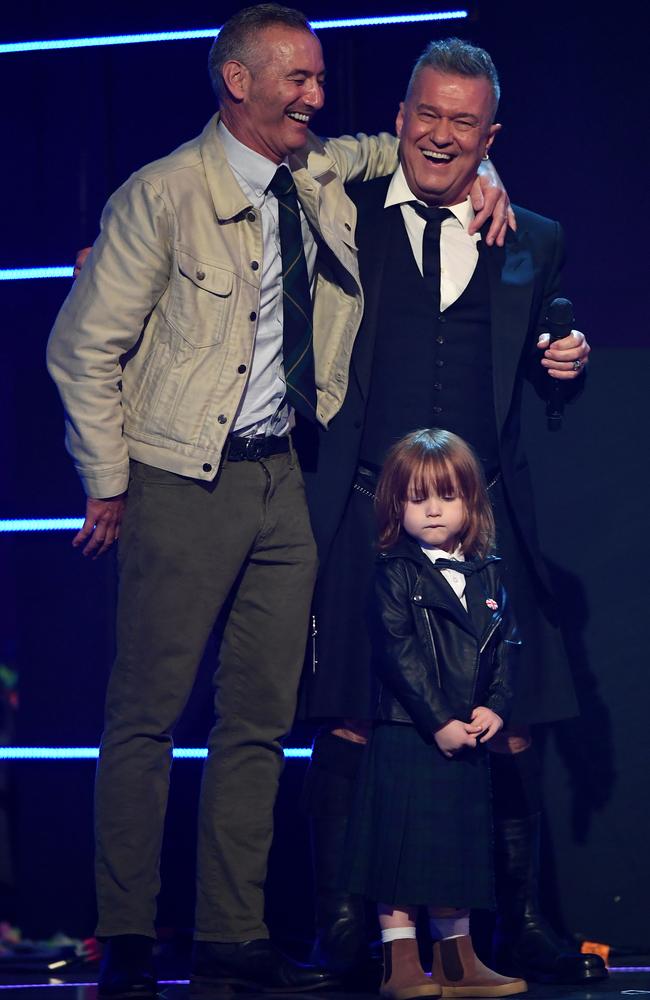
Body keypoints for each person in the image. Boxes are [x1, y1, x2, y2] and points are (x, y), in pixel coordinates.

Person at [47, 7, 510, 998]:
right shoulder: (164, 195)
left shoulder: (317, 174)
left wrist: (488, 173)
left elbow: (412, 144)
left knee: (257, 717)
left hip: (284, 480)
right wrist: (109, 481)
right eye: (295, 78)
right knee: (145, 714)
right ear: (235, 81)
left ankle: (232, 937)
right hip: (181, 475)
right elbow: (81, 347)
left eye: (315, 77)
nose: (314, 94)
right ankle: (126, 937)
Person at [301, 38, 605, 986]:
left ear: (491, 135)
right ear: (399, 116)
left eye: (464, 123)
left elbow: (542, 331)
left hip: (486, 517)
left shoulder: (531, 235)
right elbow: (266, 167)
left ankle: (514, 926)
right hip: (362, 507)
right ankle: (348, 928)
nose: (440, 136)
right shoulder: (342, 212)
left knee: (507, 720)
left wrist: (565, 361)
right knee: (351, 716)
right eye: (426, 114)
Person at [344, 428, 527, 999]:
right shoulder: (395, 571)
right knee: (401, 848)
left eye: (445, 496)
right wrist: (438, 721)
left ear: (470, 502)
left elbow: (504, 646)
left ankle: (457, 962)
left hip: (466, 735)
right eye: (417, 497)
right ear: (396, 504)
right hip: (411, 730)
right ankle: (401, 964)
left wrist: (493, 708)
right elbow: (399, 654)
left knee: (454, 847)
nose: (431, 509)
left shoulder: (489, 572)